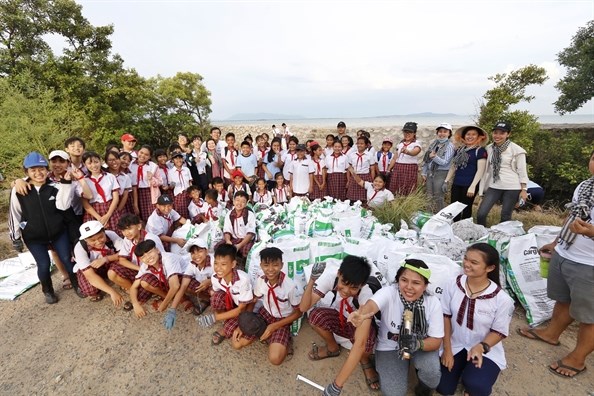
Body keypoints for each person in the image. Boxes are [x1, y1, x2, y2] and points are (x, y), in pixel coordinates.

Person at [517, 150, 594, 380]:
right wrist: (557, 241)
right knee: (563, 299)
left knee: (589, 316)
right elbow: (572, 216)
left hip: (590, 264)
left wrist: (590, 232)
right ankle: (551, 333)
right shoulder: (585, 186)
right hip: (566, 252)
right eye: (593, 157)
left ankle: (578, 359)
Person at [347, 259, 443, 396]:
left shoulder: (433, 303)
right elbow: (372, 304)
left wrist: (416, 344)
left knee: (432, 375)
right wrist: (361, 313)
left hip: (421, 343)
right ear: (398, 280)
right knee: (393, 392)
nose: (409, 287)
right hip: (391, 346)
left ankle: (423, 389)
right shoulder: (389, 293)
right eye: (404, 280)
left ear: (425, 286)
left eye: (416, 283)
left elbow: (436, 341)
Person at [437, 243, 514, 396]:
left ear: (490, 268)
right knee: (442, 387)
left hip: (485, 350)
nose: (467, 264)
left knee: (476, 385)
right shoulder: (453, 284)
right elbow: (446, 317)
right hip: (456, 344)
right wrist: (447, 349)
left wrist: (481, 347)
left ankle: (471, 378)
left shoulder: (502, 299)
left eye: (474, 262)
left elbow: (499, 332)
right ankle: (462, 368)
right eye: (466, 259)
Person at [8, 152, 85, 303]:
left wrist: (66, 184)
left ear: (46, 169)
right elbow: (14, 214)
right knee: (43, 265)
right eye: (33, 170)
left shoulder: (55, 186)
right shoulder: (19, 191)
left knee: (67, 260)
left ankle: (77, 284)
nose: (38, 173)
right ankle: (48, 291)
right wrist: (15, 237)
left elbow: (63, 205)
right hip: (34, 236)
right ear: (27, 172)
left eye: (41, 169)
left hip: (58, 232)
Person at [299, 256, 380, 392]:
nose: (346, 290)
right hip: (342, 318)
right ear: (339, 273)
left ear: (362, 284)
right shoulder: (331, 278)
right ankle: (332, 348)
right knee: (315, 316)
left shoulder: (366, 294)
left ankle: (365, 360)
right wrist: (312, 280)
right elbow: (303, 307)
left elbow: (360, 342)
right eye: (344, 282)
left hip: (358, 325)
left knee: (367, 342)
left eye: (354, 287)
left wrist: (337, 386)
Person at [231, 247, 302, 365]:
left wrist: (274, 327)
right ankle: (269, 336)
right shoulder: (261, 281)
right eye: (266, 265)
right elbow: (254, 300)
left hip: (282, 319)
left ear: (281, 265)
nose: (270, 269)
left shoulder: (289, 286)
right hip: (266, 313)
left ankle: (278, 337)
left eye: (275, 265)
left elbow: (299, 312)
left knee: (275, 359)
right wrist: (242, 325)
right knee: (237, 344)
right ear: (261, 265)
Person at [195, 244, 254, 345]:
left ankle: (227, 324)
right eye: (216, 263)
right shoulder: (215, 278)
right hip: (232, 303)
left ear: (233, 264)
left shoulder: (243, 280)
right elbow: (216, 293)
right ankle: (226, 318)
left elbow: (241, 309)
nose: (218, 268)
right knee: (215, 298)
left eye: (223, 264)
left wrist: (214, 318)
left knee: (230, 330)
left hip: (245, 308)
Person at [476, 121, 529, 226]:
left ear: (508, 134)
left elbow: (522, 171)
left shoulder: (517, 150)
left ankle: (502, 237)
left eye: (502, 133)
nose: (498, 136)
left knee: (505, 216)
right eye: (495, 132)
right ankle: (482, 234)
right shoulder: (490, 148)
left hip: (512, 187)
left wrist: (524, 190)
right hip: (494, 185)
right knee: (481, 213)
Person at [130, 239, 190, 328]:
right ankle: (172, 298)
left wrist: (164, 305)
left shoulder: (168, 259)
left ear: (157, 250)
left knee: (190, 287)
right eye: (143, 257)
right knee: (144, 281)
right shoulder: (145, 266)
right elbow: (133, 287)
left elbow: (175, 285)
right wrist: (135, 304)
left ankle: (185, 298)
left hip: (185, 279)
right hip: (169, 283)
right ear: (140, 259)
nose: (148, 257)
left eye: (150, 252)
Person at [73, 221, 128, 306]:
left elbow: (125, 254)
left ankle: (119, 280)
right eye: (92, 240)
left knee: (124, 265)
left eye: (101, 237)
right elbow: (89, 275)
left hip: (109, 262)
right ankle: (98, 285)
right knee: (91, 290)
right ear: (85, 240)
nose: (98, 242)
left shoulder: (111, 235)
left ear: (104, 231)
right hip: (92, 268)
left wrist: (106, 259)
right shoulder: (80, 248)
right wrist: (112, 292)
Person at [444, 126, 489, 222]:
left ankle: (465, 228)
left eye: (473, 134)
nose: (470, 136)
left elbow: (480, 170)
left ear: (478, 137)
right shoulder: (460, 150)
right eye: (468, 134)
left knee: (466, 208)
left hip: (470, 184)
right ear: (464, 136)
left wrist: (473, 186)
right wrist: (446, 180)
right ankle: (454, 227)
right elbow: (453, 166)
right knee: (454, 207)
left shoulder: (480, 151)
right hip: (457, 182)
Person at [80, 151, 121, 234]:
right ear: (85, 165)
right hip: (94, 211)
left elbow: (116, 198)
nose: (94, 165)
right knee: (97, 235)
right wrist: (99, 218)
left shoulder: (110, 177)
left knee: (115, 233)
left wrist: (108, 215)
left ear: (101, 161)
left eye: (96, 162)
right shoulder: (83, 181)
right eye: (89, 163)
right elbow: (85, 203)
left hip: (110, 208)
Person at [422, 123, 455, 212]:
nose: (442, 134)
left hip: (441, 173)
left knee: (438, 197)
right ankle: (428, 215)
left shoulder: (450, 146)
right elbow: (426, 159)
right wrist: (424, 172)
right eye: (440, 131)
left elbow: (444, 162)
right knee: (429, 196)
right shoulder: (434, 143)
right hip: (430, 172)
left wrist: (434, 157)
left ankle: (441, 217)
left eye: (445, 131)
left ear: (449, 133)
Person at [179, 237, 213, 315]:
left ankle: (219, 309)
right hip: (203, 286)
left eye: (200, 251)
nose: (196, 255)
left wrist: (210, 281)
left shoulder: (214, 261)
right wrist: (172, 308)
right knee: (185, 283)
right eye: (193, 253)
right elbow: (184, 286)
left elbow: (225, 276)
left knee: (213, 292)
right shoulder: (192, 264)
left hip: (217, 287)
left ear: (207, 251)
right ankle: (207, 299)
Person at [389, 122, 422, 196]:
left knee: (408, 188)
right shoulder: (400, 144)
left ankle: (407, 205)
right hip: (398, 168)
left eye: (410, 132)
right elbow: (395, 158)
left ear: (414, 133)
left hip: (409, 168)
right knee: (396, 188)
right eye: (405, 132)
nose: (407, 134)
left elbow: (415, 152)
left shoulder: (416, 143)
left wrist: (408, 152)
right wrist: (389, 169)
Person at [130, 145, 161, 222]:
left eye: (146, 154)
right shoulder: (130, 164)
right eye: (141, 152)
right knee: (137, 216)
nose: (143, 155)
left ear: (150, 157)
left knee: (150, 215)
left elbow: (160, 182)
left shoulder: (153, 166)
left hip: (148, 193)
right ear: (138, 152)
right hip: (133, 193)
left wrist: (152, 178)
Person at [221, 190, 255, 258]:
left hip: (245, 240)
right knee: (219, 248)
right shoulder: (229, 214)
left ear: (246, 203)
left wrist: (240, 245)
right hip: (233, 239)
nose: (239, 203)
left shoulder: (250, 215)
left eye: (243, 201)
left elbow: (250, 233)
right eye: (237, 200)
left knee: (247, 252)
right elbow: (227, 230)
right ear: (233, 201)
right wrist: (228, 241)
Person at [346, 136, 376, 204]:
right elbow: (349, 169)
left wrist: (372, 180)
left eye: (362, 143)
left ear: (366, 145)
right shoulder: (352, 155)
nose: (359, 145)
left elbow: (372, 169)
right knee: (353, 199)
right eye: (358, 143)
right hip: (354, 177)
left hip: (365, 177)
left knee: (364, 198)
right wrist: (348, 180)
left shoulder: (369, 155)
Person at [167, 152, 192, 219]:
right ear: (172, 160)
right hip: (179, 194)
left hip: (188, 193)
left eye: (180, 158)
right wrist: (172, 185)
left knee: (191, 211)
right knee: (182, 213)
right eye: (176, 158)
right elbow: (170, 185)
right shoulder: (170, 172)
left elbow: (190, 182)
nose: (179, 160)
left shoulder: (186, 169)